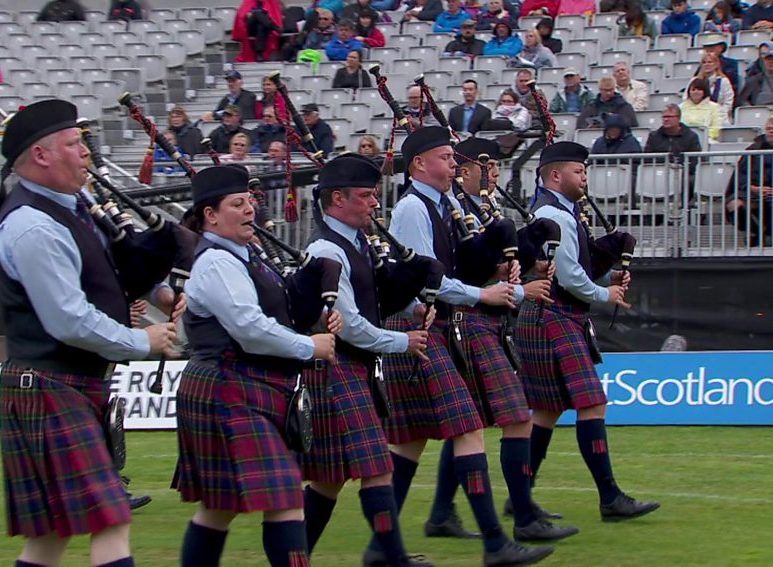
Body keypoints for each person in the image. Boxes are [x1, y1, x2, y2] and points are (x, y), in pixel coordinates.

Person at [0, 99, 178, 567]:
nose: (86, 154)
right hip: (50, 382)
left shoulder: (77, 207)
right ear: (41, 155)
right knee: (110, 520)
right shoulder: (32, 225)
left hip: (66, 384)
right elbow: (68, 319)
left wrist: (157, 290)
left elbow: (106, 268)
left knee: (50, 537)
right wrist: (142, 342)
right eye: (74, 145)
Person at [365, 126, 555, 567]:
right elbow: (426, 277)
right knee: (466, 429)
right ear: (419, 164)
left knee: (409, 442)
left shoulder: (445, 204)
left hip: (433, 326)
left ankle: (380, 546)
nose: (455, 165)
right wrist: (481, 295)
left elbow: (463, 262)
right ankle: (494, 543)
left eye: (453, 158)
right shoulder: (413, 208)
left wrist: (507, 256)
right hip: (418, 324)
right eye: (447, 158)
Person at [175, 165, 339, 567]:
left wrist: (313, 299)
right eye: (237, 204)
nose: (250, 210)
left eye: (250, 201)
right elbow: (250, 329)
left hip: (246, 386)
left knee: (220, 506)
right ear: (210, 215)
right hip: (228, 387)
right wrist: (309, 346)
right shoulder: (216, 262)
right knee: (283, 494)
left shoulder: (248, 256)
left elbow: (275, 313)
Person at [425, 136, 578, 547]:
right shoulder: (447, 209)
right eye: (487, 167)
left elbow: (487, 267)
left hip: (486, 317)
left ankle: (442, 513)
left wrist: (523, 265)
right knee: (513, 419)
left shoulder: (474, 208)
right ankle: (521, 515)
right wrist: (516, 284)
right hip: (468, 318)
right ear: (468, 168)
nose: (493, 174)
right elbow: (463, 271)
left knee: (469, 424)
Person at [302, 154, 437, 567]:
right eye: (366, 196)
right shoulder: (327, 250)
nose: (375, 204)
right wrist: (403, 340)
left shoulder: (357, 244)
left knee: (329, 480)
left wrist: (412, 307)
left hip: (349, 369)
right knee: (376, 467)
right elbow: (349, 325)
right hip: (336, 367)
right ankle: (390, 558)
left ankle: (294, 557)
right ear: (337, 200)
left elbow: (369, 300)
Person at [516, 141, 660, 526]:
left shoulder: (564, 213)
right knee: (591, 403)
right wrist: (605, 292)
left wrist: (606, 273)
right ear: (555, 175)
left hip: (550, 316)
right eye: (579, 171)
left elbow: (576, 267)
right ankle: (610, 496)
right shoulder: (554, 215)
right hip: (555, 316)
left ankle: (520, 498)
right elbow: (568, 277)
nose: (585, 177)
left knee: (546, 410)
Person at [727, 116, 773, 246]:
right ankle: (756, 232)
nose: (771, 132)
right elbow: (741, 175)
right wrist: (753, 188)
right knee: (734, 204)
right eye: (769, 129)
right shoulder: (753, 150)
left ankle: (766, 234)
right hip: (754, 193)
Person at [644, 104, 702, 200]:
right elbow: (647, 159)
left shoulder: (691, 137)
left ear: (678, 118)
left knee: (690, 181)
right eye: (664, 117)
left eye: (670, 117)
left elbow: (695, 161)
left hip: (683, 175)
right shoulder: (654, 136)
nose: (666, 119)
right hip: (658, 174)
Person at [687, 52, 735, 124]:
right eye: (704, 62)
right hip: (697, 114)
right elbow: (686, 99)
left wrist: (715, 113)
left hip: (720, 115)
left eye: (710, 62)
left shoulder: (724, 81)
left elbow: (728, 102)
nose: (707, 64)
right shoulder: (694, 81)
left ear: (716, 64)